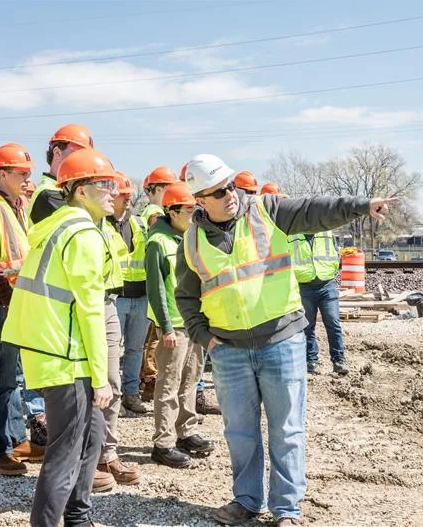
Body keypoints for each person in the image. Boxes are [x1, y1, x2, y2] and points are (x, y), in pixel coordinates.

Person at [175, 154, 396, 526]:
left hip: (282, 341)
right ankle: (247, 500)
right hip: (229, 351)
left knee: (287, 431)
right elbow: (185, 295)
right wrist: (205, 339)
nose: (230, 194)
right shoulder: (192, 240)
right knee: (240, 433)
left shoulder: (265, 211)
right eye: (218, 191)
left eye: (230, 185)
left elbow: (314, 210)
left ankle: (286, 510)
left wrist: (361, 205)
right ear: (200, 199)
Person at [1, 148, 115, 527]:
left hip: (57, 353)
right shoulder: (82, 234)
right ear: (80, 191)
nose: (113, 191)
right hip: (67, 358)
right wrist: (100, 378)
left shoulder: (60, 226)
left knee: (91, 439)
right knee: (66, 454)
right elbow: (89, 310)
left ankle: (78, 518)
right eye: (104, 184)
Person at [0, 143, 46, 476]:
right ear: (1, 173)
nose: (27, 180)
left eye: (28, 174)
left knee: (16, 376)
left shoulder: (21, 207)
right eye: (20, 174)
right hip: (2, 304)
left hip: (18, 302)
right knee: (2, 379)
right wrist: (7, 296)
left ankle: (15, 440)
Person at [146, 182, 215, 469]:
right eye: (188, 210)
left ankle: (184, 431)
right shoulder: (157, 243)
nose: (193, 214)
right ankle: (163, 443)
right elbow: (156, 288)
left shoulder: (190, 238)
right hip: (174, 324)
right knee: (168, 384)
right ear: (172, 212)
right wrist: (165, 327)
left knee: (190, 379)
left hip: (193, 322)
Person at [103, 173, 151, 414]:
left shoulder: (140, 223)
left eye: (129, 195)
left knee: (135, 349)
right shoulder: (102, 224)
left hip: (141, 296)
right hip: (116, 297)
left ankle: (131, 395)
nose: (128, 199)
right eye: (124, 195)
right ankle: (113, 398)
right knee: (112, 350)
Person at [138, 165, 177, 403]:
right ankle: (151, 381)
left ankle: (149, 379)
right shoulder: (155, 212)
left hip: (151, 280)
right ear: (156, 189)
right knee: (155, 338)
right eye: (168, 188)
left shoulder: (150, 211)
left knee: (151, 338)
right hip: (158, 281)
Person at [287, 230, 348, 375]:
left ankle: (339, 360)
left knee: (333, 323)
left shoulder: (326, 231)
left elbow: (336, 254)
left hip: (327, 284)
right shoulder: (292, 234)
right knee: (307, 327)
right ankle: (310, 361)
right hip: (304, 286)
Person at [28, 124, 94, 226]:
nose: (83, 161)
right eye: (78, 155)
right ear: (57, 153)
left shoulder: (67, 190)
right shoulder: (48, 194)